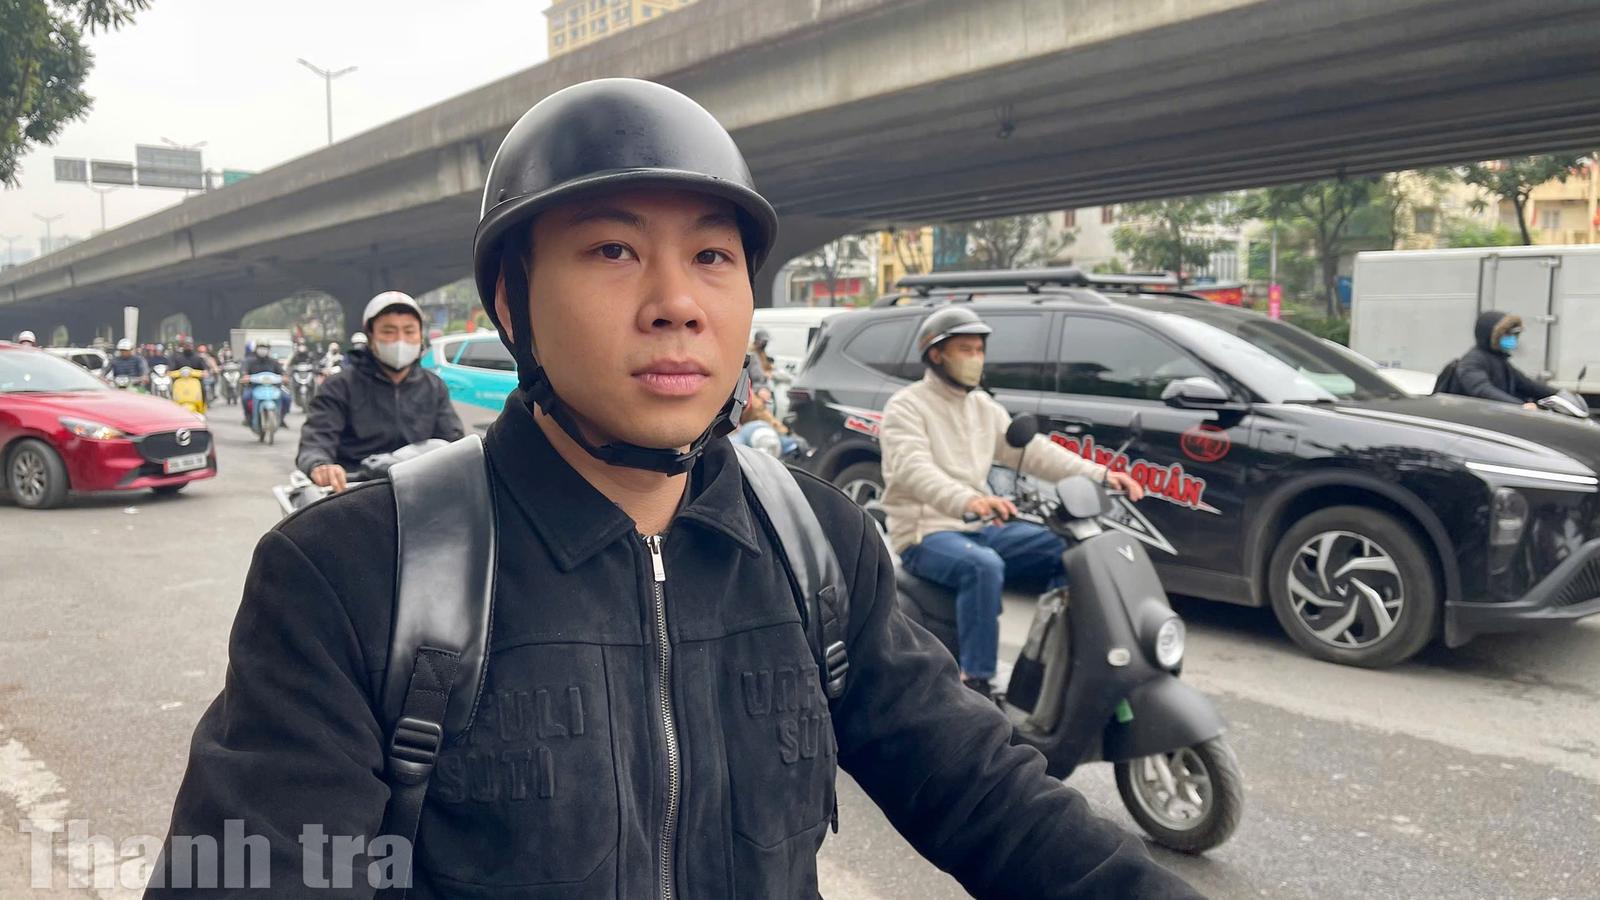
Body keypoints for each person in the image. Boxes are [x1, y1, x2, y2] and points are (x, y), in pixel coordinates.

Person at [149, 79, 1196, 899]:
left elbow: (990, 798)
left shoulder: (817, 545)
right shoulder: (353, 576)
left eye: (711, 256)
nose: (676, 303)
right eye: (612, 250)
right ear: (511, 299)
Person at [879, 306, 1148, 698]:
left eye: (979, 350)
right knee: (982, 566)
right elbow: (913, 470)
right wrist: (970, 499)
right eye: (965, 350)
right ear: (936, 355)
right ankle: (977, 680)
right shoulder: (906, 406)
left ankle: (1051, 661)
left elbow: (1035, 452)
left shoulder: (982, 407)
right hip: (926, 532)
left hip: (977, 525)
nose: (976, 358)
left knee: (1070, 551)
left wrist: (1101, 474)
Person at [294, 292, 464, 492]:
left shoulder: (434, 387)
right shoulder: (339, 386)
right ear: (371, 337)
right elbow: (317, 439)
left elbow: (454, 444)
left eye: (409, 331)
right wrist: (320, 465)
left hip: (419, 490)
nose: (400, 340)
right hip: (355, 490)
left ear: (420, 336)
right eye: (388, 331)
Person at [1442, 311, 1555, 409]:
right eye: (1507, 334)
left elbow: (1528, 385)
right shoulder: (1472, 360)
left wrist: (1558, 394)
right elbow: (1481, 389)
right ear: (1491, 336)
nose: (1512, 339)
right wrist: (1520, 406)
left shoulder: (1500, 360)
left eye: (1515, 335)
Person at [241, 342, 290, 425]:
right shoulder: (249, 361)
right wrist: (245, 378)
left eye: (265, 348)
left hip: (273, 388)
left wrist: (285, 377)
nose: (262, 350)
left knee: (287, 398)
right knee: (245, 398)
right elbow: (244, 373)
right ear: (256, 349)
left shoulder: (273, 362)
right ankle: (248, 418)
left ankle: (281, 418)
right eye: (260, 347)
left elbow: (282, 373)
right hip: (254, 387)